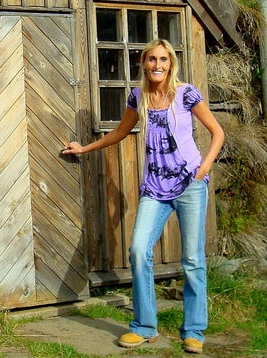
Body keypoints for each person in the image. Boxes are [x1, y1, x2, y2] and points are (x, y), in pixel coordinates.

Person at [61, 39, 224, 354]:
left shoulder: (187, 93)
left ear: (171, 63)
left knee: (192, 259)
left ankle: (193, 331)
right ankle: (145, 327)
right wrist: (85, 148)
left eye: (163, 60)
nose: (158, 65)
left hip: (190, 183)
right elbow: (121, 132)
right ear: (144, 64)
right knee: (138, 250)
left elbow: (217, 132)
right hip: (154, 186)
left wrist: (205, 167)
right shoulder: (138, 97)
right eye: (152, 60)